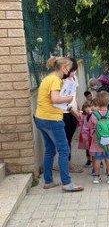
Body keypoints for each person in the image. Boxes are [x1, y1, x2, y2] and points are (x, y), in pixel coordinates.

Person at [34, 56, 84, 192]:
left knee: (50, 150)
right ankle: (67, 183)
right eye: (69, 67)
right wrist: (69, 98)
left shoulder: (49, 78)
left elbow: (52, 102)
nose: (70, 70)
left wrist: (72, 110)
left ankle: (48, 181)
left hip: (41, 118)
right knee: (64, 150)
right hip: (52, 120)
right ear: (64, 68)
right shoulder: (55, 80)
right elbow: (55, 99)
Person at [88, 91, 109, 184]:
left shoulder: (94, 115)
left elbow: (90, 126)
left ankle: (96, 177)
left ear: (97, 102)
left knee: (97, 159)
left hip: (98, 140)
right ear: (108, 101)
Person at [62, 58, 83, 173]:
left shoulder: (74, 78)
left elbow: (76, 96)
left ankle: (67, 163)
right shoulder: (61, 80)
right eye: (72, 70)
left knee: (69, 139)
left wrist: (79, 110)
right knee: (66, 140)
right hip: (65, 113)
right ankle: (68, 165)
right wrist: (73, 111)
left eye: (74, 70)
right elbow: (62, 100)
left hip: (74, 112)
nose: (74, 72)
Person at [78, 101, 93, 167]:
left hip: (92, 134)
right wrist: (79, 116)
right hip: (85, 134)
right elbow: (80, 123)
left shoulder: (94, 114)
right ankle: (89, 160)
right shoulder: (83, 116)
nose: (87, 109)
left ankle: (98, 161)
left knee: (94, 148)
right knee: (87, 148)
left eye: (88, 107)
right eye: (85, 107)